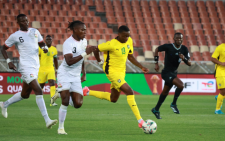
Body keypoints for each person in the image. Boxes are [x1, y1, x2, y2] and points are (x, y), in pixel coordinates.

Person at [82, 25, 149, 129]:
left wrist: (141, 67)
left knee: (113, 98)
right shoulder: (111, 44)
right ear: (118, 35)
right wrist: (100, 62)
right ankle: (140, 121)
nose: (126, 38)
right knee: (130, 91)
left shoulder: (129, 41)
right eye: (124, 36)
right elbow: (96, 49)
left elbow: (130, 56)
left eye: (128, 36)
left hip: (122, 72)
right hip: (112, 72)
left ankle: (87, 92)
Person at [0, 14, 57, 128]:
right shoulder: (15, 36)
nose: (25, 22)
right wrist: (8, 61)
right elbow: (3, 48)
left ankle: (4, 104)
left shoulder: (35, 31)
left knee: (25, 94)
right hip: (25, 67)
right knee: (38, 90)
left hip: (36, 66)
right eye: (22, 21)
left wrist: (44, 48)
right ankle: (47, 120)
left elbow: (42, 44)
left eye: (26, 20)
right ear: (18, 23)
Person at [56, 20, 95, 135]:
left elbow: (81, 59)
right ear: (75, 30)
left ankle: (60, 92)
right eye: (82, 29)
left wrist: (84, 72)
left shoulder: (84, 41)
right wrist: (84, 53)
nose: (85, 32)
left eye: (85, 29)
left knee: (78, 104)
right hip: (65, 73)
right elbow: (68, 62)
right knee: (66, 101)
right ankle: (61, 128)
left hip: (76, 75)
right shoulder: (68, 43)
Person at [151, 33, 191, 119]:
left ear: (182, 39)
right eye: (177, 39)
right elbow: (157, 49)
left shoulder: (184, 49)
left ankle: (156, 109)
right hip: (166, 72)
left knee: (165, 92)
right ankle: (173, 104)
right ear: (174, 38)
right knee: (181, 85)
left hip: (174, 73)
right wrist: (156, 63)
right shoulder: (168, 46)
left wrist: (184, 58)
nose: (179, 40)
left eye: (180, 39)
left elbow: (189, 63)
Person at [38, 35, 58, 106]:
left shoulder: (54, 49)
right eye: (48, 40)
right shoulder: (40, 48)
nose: (49, 41)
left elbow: (55, 60)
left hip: (51, 69)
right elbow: (36, 57)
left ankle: (52, 101)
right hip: (42, 69)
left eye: (50, 40)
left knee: (52, 83)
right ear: (45, 41)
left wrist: (57, 69)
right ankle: (39, 101)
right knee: (40, 86)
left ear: (52, 41)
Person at [211, 43, 225, 114]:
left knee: (223, 93)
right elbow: (212, 58)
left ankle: (219, 97)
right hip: (220, 72)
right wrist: (221, 63)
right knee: (223, 91)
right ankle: (217, 110)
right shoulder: (220, 47)